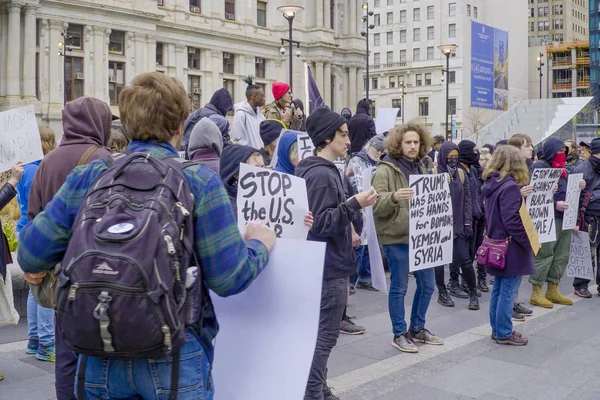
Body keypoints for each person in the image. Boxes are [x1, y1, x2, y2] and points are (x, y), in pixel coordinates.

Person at [18, 72, 277, 400]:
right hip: (176, 355)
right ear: (181, 128)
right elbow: (229, 277)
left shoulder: (90, 177)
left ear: (125, 126)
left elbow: (30, 254)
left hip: (98, 353)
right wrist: (259, 243)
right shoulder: (198, 181)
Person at [24, 96, 113, 400]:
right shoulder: (101, 156)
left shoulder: (47, 160)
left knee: (66, 353)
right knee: (98, 351)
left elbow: (34, 217)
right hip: (94, 273)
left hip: (58, 276)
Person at [296, 106, 377, 400]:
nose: (348, 139)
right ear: (327, 138)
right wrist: (355, 203)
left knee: (322, 336)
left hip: (328, 263)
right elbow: (322, 222)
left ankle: (320, 389)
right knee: (325, 338)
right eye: (342, 134)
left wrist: (351, 223)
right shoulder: (321, 174)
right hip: (328, 268)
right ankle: (312, 393)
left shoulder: (323, 171)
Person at [372, 123, 443, 353]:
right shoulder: (385, 169)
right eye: (408, 142)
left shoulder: (422, 167)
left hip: (422, 236)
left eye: (416, 142)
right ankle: (399, 333)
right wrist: (393, 196)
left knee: (428, 284)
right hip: (396, 236)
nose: (413, 146)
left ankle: (418, 328)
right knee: (400, 287)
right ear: (398, 144)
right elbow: (375, 205)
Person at [482, 145, 534, 346]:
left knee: (499, 289)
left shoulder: (492, 183)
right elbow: (512, 221)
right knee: (508, 290)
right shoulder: (510, 186)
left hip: (496, 244)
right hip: (510, 246)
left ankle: (497, 329)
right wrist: (527, 241)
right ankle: (504, 331)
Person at [16, 126, 56, 363]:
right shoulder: (39, 169)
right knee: (46, 287)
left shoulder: (24, 169)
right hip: (37, 231)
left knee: (34, 286)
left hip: (23, 229)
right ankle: (46, 343)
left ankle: (33, 339)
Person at [529, 138, 583, 309]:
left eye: (564, 152)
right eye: (558, 151)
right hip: (548, 218)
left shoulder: (563, 171)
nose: (562, 154)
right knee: (545, 254)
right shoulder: (540, 168)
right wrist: (554, 204)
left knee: (561, 254)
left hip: (564, 218)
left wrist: (579, 187)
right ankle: (536, 291)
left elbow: (569, 195)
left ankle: (553, 288)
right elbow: (535, 197)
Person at [433, 142, 478, 310]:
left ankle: (473, 293)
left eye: (455, 157)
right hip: (439, 226)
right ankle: (442, 291)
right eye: (449, 157)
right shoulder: (433, 173)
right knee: (439, 261)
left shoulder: (461, 173)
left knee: (465, 260)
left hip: (458, 224)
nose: (453, 160)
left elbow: (468, 199)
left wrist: (467, 222)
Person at [345, 135, 385, 292]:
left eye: (381, 151)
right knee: (360, 245)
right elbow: (352, 184)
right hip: (359, 207)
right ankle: (353, 279)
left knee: (369, 244)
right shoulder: (357, 161)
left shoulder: (379, 162)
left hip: (371, 205)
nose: (378, 153)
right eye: (377, 149)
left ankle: (365, 277)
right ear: (370, 147)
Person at [572, 138, 600, 298]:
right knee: (586, 253)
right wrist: (575, 222)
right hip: (588, 217)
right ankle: (581, 285)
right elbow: (573, 197)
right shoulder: (581, 169)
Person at [458, 140, 487, 293]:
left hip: (477, 216)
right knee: (464, 255)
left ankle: (467, 282)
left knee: (474, 250)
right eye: (473, 151)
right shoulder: (458, 171)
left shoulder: (473, 171)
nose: (476, 154)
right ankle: (461, 282)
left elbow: (476, 193)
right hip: (464, 220)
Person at [219, 144, 266, 215]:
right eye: (256, 168)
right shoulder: (227, 204)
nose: (263, 172)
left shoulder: (264, 194)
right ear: (236, 173)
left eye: (263, 167)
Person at [231, 80, 266, 149]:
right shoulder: (241, 115)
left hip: (261, 158)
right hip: (247, 158)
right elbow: (237, 140)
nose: (264, 99)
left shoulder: (261, 117)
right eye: (262, 96)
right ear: (254, 97)